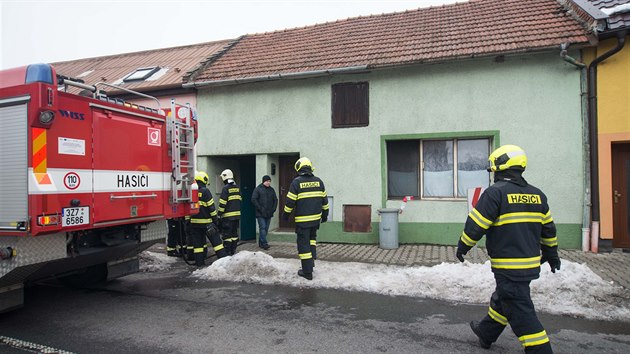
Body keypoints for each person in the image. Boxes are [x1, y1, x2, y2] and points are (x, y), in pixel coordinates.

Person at [455, 145, 560, 353]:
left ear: (502, 168)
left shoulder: (496, 193)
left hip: (508, 266)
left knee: (521, 312)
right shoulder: (538, 195)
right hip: (529, 265)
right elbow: (548, 228)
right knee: (504, 297)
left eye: (494, 171)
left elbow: (476, 225)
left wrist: (463, 246)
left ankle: (541, 350)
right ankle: (486, 332)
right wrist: (551, 253)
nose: (494, 175)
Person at [282, 157, 329, 280]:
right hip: (315, 220)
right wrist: (325, 215)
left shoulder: (296, 182)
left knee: (303, 245)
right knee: (312, 240)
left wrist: (285, 216)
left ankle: (307, 272)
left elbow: (290, 202)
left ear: (299, 168)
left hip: (303, 221)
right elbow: (325, 201)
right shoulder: (319, 181)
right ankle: (311, 262)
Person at [187, 171, 227, 266]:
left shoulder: (191, 191)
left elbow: (187, 208)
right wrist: (215, 220)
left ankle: (199, 263)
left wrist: (187, 221)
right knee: (217, 244)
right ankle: (224, 261)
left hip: (194, 224)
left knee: (198, 246)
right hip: (207, 223)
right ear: (204, 180)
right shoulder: (205, 191)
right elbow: (211, 207)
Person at [218, 169, 241, 256]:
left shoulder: (225, 188)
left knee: (227, 235)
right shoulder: (237, 188)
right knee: (234, 234)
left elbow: (223, 203)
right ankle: (233, 250)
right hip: (236, 216)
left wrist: (219, 214)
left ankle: (227, 252)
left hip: (227, 217)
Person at [251, 175, 278, 250]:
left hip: (269, 212)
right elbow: (253, 199)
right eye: (267, 181)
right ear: (263, 181)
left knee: (265, 229)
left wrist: (273, 209)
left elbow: (275, 200)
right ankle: (264, 243)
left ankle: (261, 243)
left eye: (269, 181)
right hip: (260, 213)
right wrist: (260, 208)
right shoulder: (258, 189)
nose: (268, 183)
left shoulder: (271, 190)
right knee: (262, 227)